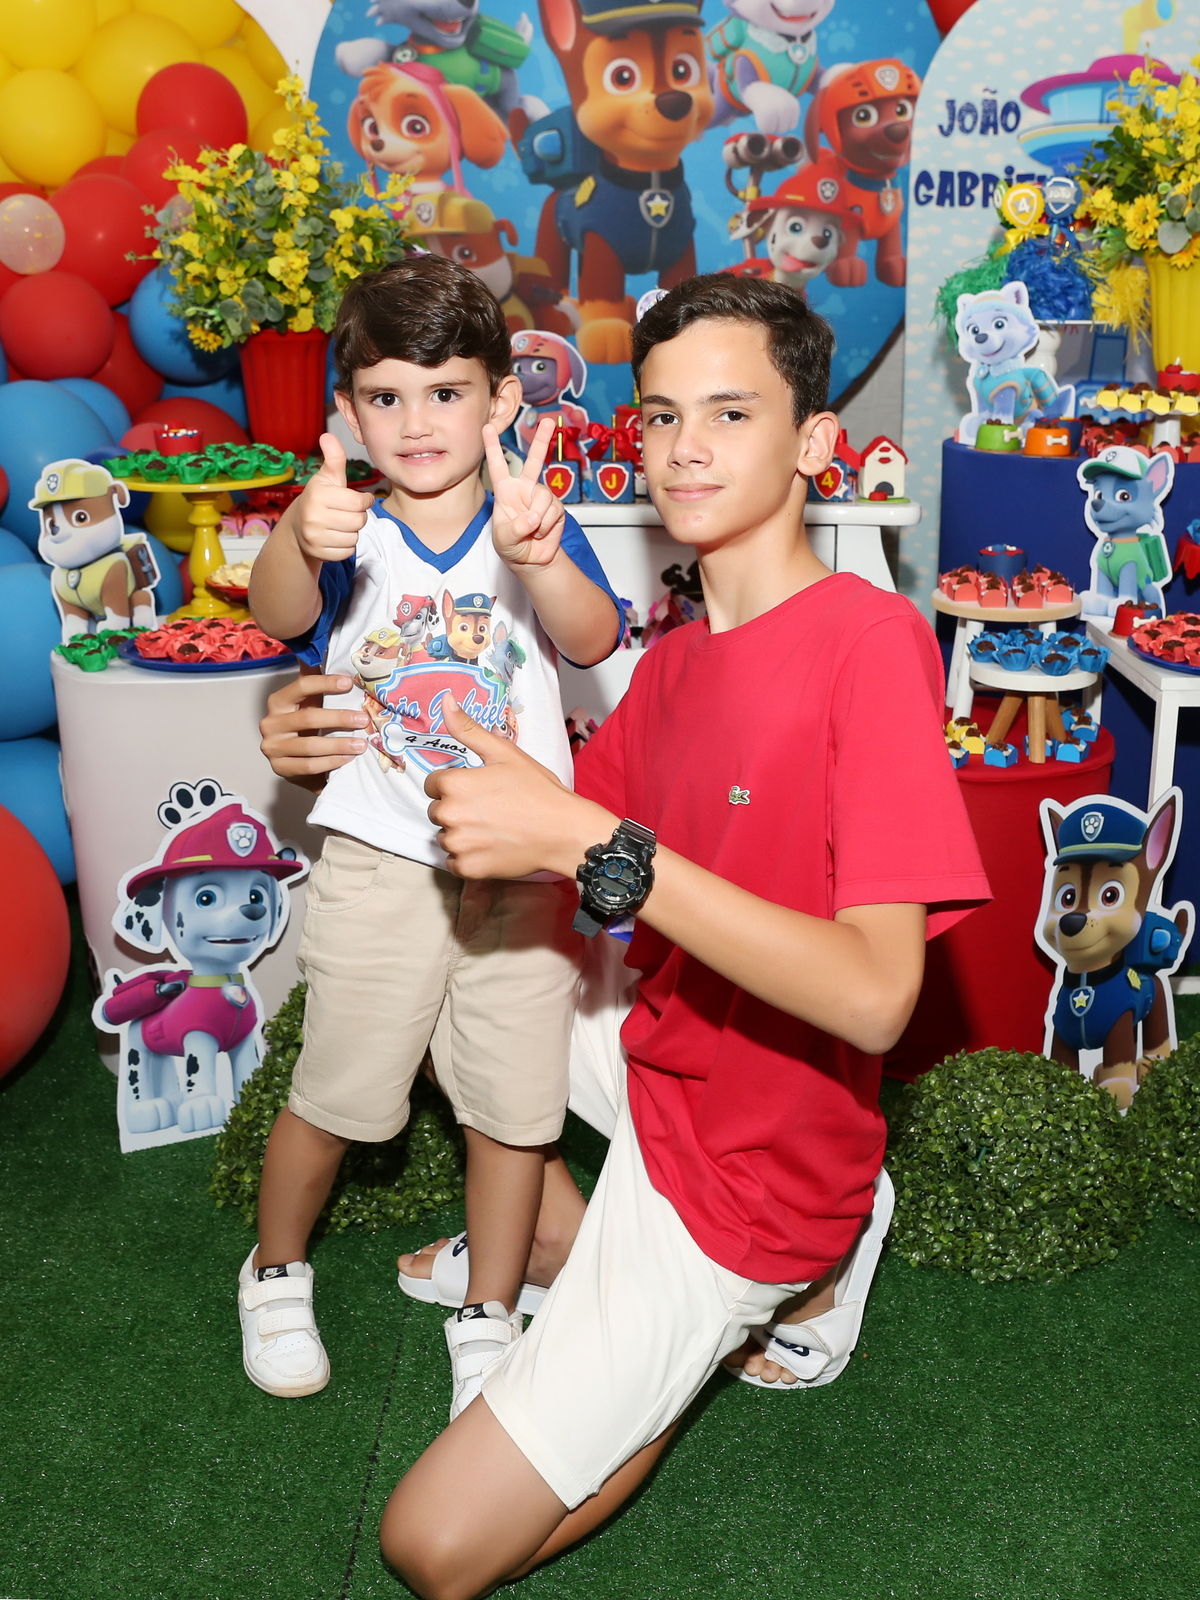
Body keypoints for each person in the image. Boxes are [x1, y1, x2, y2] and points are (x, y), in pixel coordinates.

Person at [259, 272, 989, 1598]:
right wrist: (309, 739)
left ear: (814, 443)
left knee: (430, 1546)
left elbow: (880, 996)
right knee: (446, 959)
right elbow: (530, 839)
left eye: (731, 412)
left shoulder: (872, 640)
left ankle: (773, 1273)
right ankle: (569, 1246)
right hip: (658, 1063)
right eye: (661, 417)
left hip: (754, 1175)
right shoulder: (677, 665)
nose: (686, 448)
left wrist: (592, 843)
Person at [241, 253, 623, 1413]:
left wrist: (542, 555)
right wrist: (299, 536)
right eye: (387, 396)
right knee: (340, 1090)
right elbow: (276, 614)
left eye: (445, 391)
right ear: (348, 411)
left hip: (524, 867)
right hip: (380, 862)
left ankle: (490, 1313)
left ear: (501, 400)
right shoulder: (345, 525)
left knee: (513, 1113)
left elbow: (594, 638)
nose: (415, 422)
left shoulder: (530, 519)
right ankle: (274, 1270)